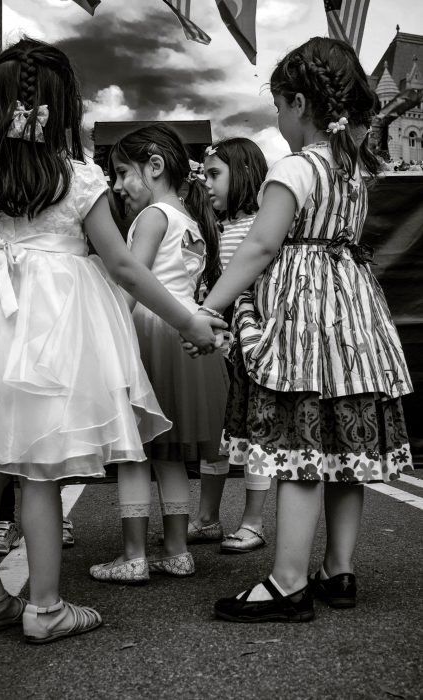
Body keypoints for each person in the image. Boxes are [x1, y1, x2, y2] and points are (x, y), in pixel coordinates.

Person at [0, 38, 224, 644]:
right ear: (63, 108)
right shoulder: (78, 182)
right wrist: (187, 322)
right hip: (53, 339)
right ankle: (45, 609)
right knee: (39, 471)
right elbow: (127, 269)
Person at [184, 36, 413, 622]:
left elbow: (261, 245)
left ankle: (287, 582)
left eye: (280, 107)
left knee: (300, 449)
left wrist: (210, 307)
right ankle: (339, 570)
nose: (279, 120)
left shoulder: (295, 167)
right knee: (343, 449)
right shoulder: (353, 171)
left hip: (305, 320)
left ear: (301, 105)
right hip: (354, 319)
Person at [90, 124, 229, 584]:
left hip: (150, 336)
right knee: (169, 452)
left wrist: (104, 335)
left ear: (154, 167)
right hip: (184, 337)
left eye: (122, 172)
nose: (116, 184)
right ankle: (176, 550)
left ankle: (133, 555)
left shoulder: (151, 218)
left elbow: (133, 283)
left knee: (135, 451)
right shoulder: (191, 220)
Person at [189, 137, 271, 554]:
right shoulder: (217, 228)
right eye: (204, 175)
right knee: (217, 434)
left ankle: (253, 522)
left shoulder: (263, 224)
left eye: (215, 174)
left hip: (255, 345)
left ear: (242, 174)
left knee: (256, 434)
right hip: (225, 343)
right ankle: (206, 518)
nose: (207, 183)